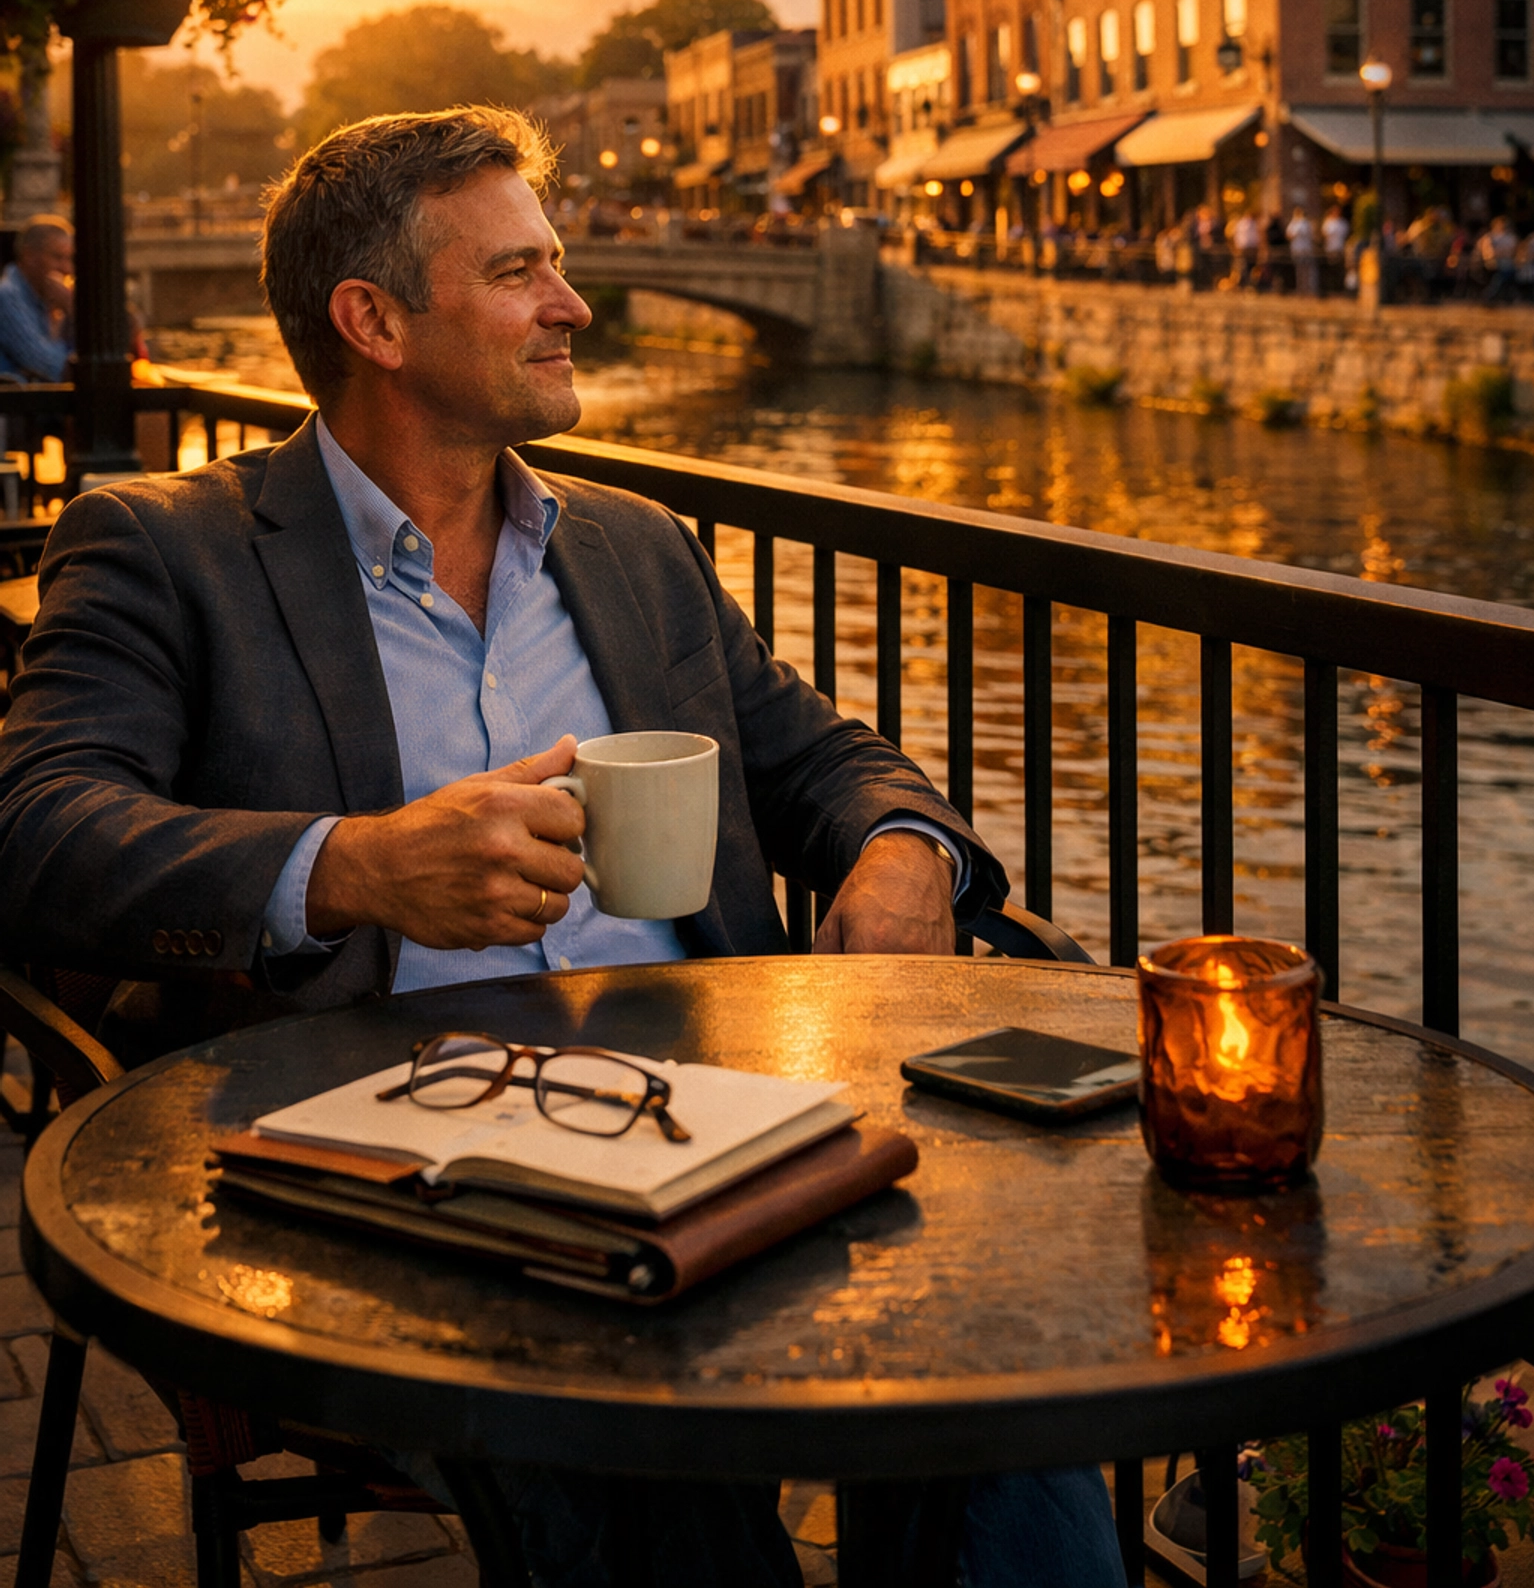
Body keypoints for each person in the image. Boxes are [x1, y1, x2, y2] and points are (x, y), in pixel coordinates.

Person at [0, 107, 1122, 1588]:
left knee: (1003, 1345)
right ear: (376, 321)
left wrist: (905, 843)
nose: (574, 304)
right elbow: (37, 831)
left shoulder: (633, 544)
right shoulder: (164, 547)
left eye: (562, 263)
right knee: (624, 1433)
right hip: (386, 1167)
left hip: (720, 1111)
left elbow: (819, 757)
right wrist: (354, 866)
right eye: (523, 269)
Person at [0, 213, 73, 382]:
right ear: (29, 256)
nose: (67, 269)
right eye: (57, 257)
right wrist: (71, 308)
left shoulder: (46, 300)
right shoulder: (7, 296)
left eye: (69, 259)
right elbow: (52, 367)